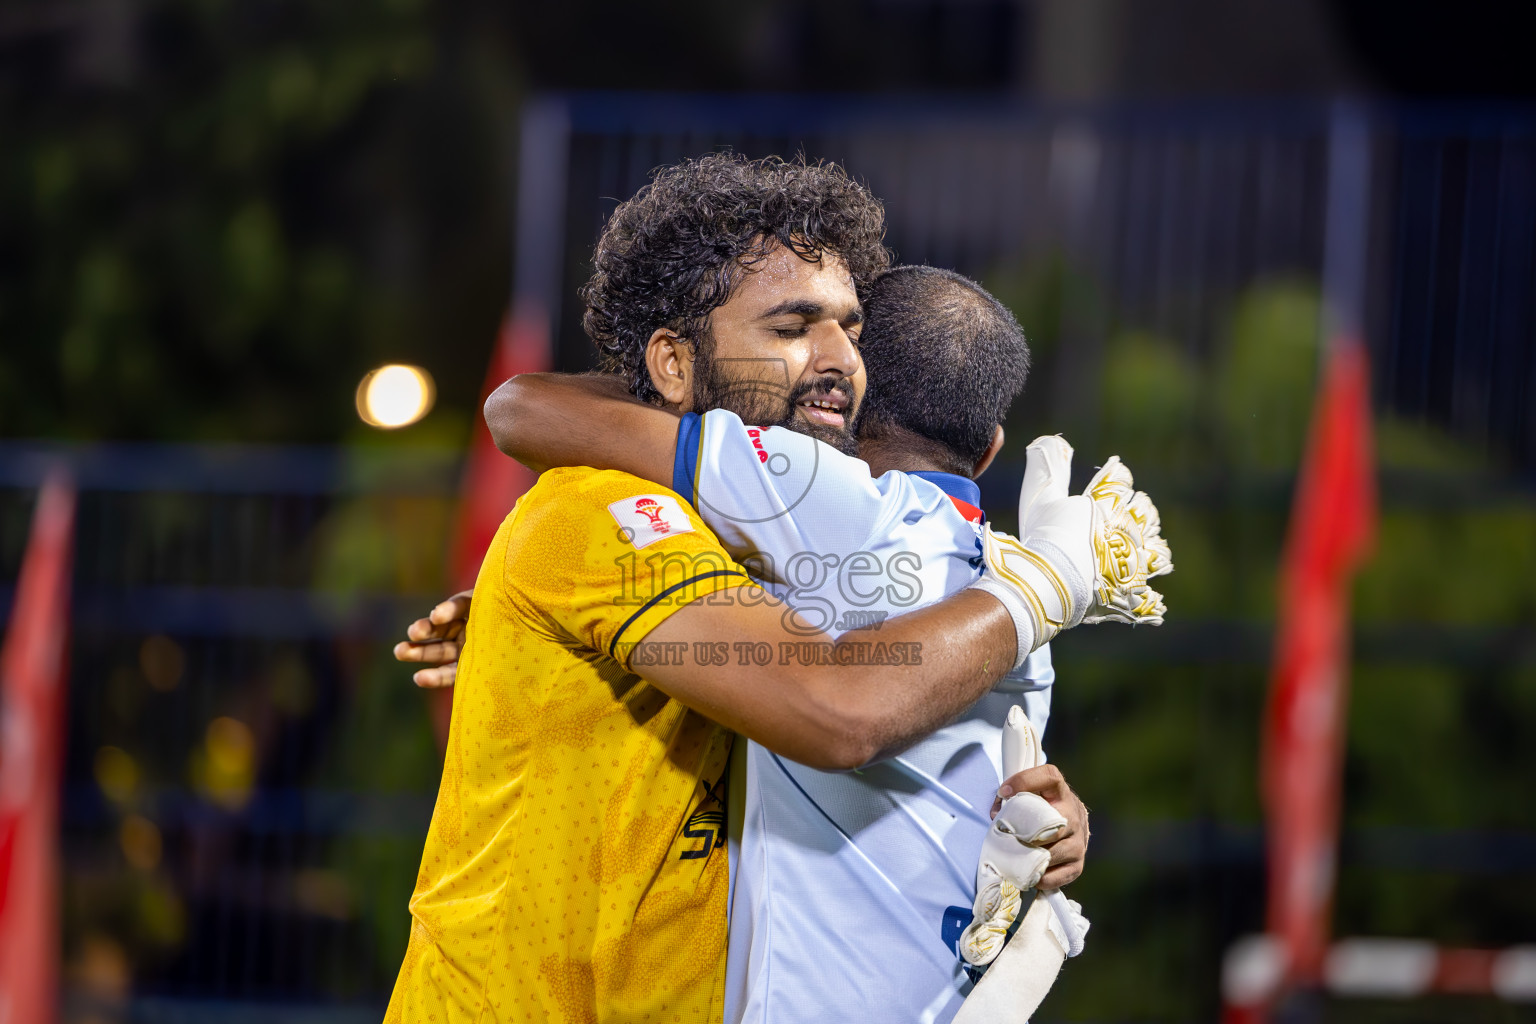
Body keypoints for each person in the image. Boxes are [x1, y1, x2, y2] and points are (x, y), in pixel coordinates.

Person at [388, 155, 1168, 1024]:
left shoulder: (771, 543)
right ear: (676, 367)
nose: (842, 358)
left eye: (850, 326)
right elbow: (839, 707)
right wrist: (1047, 586)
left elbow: (875, 694)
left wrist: (1011, 802)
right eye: (794, 326)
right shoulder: (608, 509)